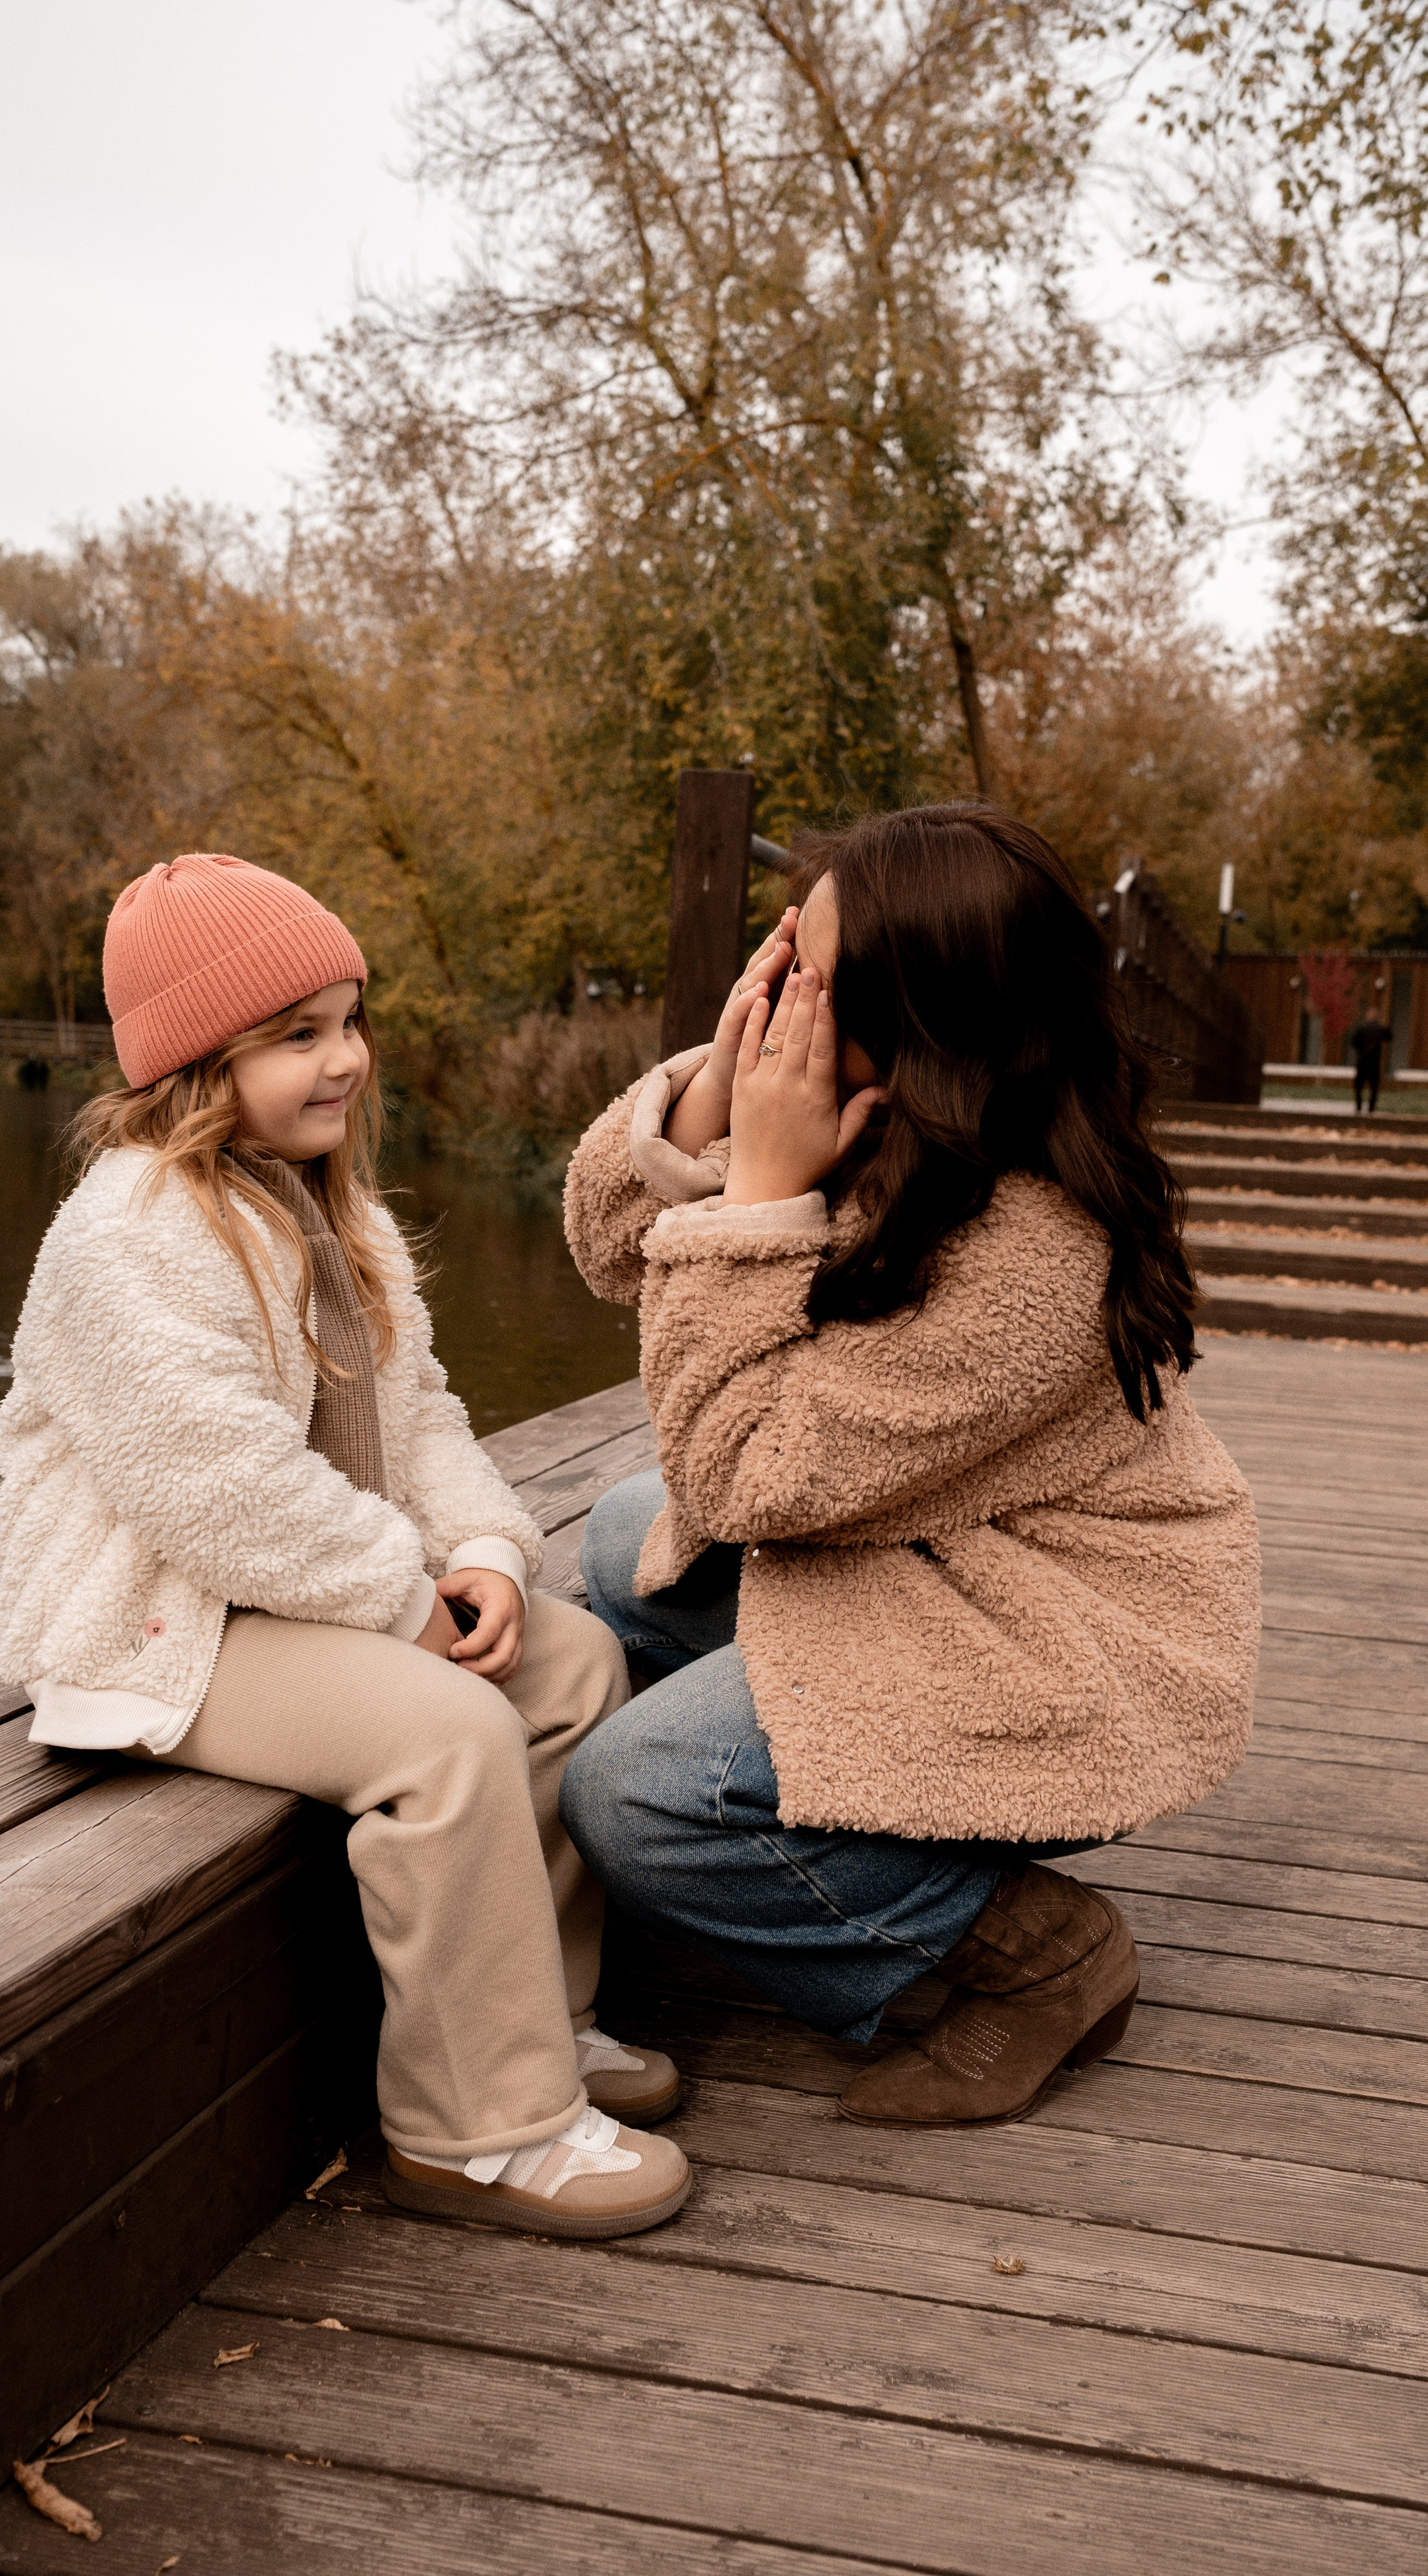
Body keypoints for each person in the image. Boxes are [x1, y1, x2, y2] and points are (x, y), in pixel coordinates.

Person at [0, 852, 689, 2240]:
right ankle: (474, 2127)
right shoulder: (125, 1236)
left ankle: (536, 2027)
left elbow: (418, 1416)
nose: (347, 1060)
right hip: (158, 1621)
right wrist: (401, 1601)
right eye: (297, 1034)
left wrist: (484, 1551)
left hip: (297, 1588)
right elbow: (217, 1488)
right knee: (444, 1731)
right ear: (194, 1060)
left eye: (349, 1020)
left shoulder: (336, 1216)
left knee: (568, 1665)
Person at [557, 803, 1261, 2131]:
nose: (788, 997)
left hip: (1059, 1637)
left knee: (633, 1795)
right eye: (785, 955)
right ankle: (812, 1809)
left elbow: (745, 1478)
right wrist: (716, 1091)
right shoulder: (907, 1128)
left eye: (814, 975)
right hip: (937, 1561)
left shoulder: (1038, 1254)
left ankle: (1029, 1946)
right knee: (616, 1533)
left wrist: (760, 1194)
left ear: (917, 1019)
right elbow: (609, 1248)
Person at [1350, 1007, 1392, 1113]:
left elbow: (1354, 1042)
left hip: (1363, 1059)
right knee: (1374, 1085)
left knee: (1359, 1084)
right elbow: (1389, 1037)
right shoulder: (1380, 1028)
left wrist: (1362, 1050)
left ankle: (1359, 1105)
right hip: (1374, 1061)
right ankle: (1371, 1107)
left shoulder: (1362, 1027)